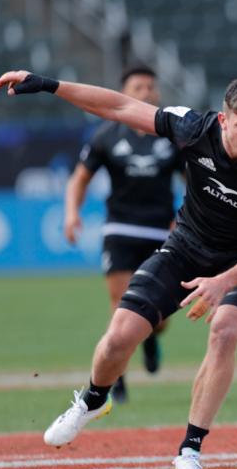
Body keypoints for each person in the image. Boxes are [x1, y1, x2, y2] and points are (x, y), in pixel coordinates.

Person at [0, 70, 237, 469]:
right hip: (185, 247)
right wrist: (50, 85)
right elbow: (119, 107)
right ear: (224, 119)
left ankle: (190, 450)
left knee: (226, 331)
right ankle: (92, 400)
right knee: (120, 334)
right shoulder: (194, 127)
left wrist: (224, 281)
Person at [64, 65, 182, 403]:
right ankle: (116, 380)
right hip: (120, 229)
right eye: (138, 87)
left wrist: (186, 220)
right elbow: (80, 178)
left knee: (157, 315)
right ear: (124, 93)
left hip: (162, 231)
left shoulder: (172, 138)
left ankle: (151, 337)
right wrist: (72, 212)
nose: (146, 92)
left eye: (150, 87)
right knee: (121, 306)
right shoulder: (106, 136)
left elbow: (196, 185)